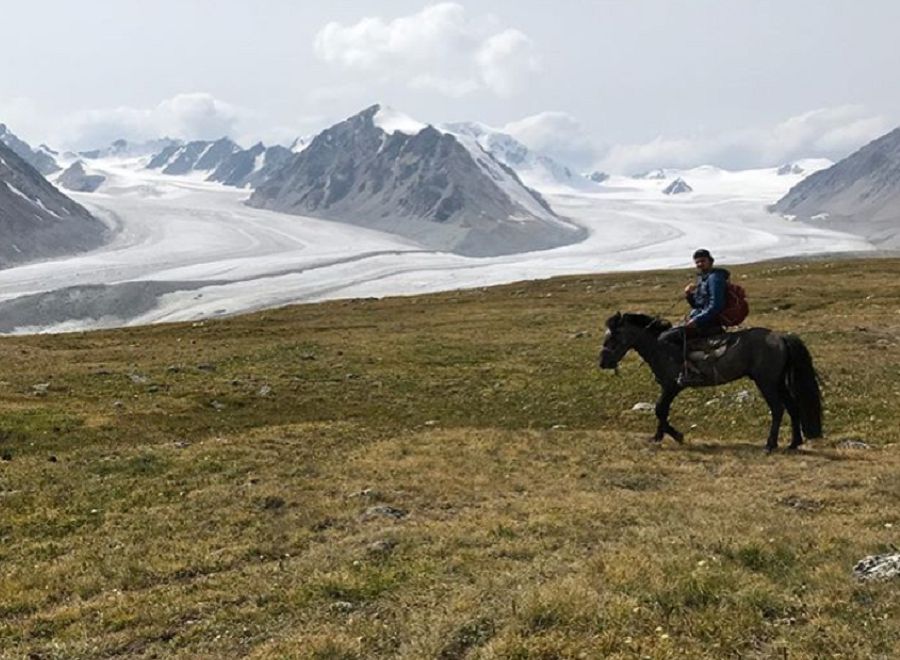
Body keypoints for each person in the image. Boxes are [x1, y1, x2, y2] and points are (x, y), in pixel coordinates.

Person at [660, 249, 729, 383]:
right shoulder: (703, 278)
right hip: (702, 319)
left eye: (703, 261)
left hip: (709, 322)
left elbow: (716, 306)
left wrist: (696, 320)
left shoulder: (715, 278)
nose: (699, 264)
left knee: (665, 339)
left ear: (710, 261)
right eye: (697, 262)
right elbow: (698, 305)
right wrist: (689, 295)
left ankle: (690, 371)